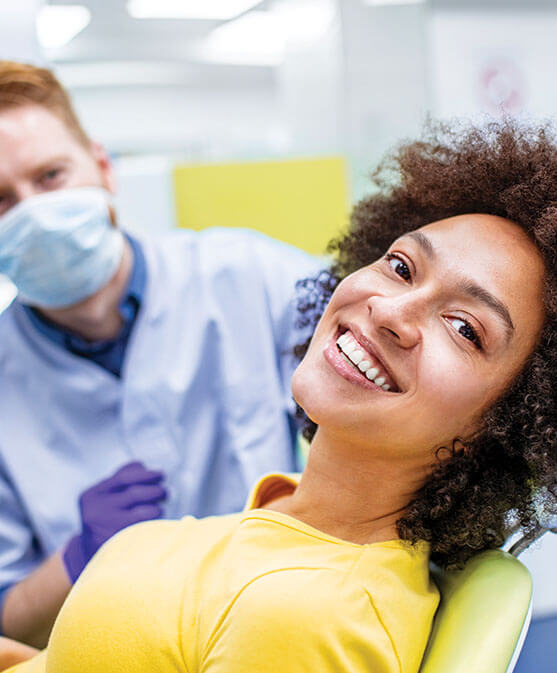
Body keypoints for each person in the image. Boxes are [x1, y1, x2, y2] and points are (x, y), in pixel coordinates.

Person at [2, 118, 556, 673]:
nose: (388, 311)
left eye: (464, 328)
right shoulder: (281, 523)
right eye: (400, 267)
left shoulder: (305, 615)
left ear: (512, 424)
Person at [0, 61, 321, 647]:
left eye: (49, 176)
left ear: (102, 168)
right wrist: (80, 555)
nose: (32, 213)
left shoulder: (251, 277)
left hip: (279, 634)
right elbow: (4, 622)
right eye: (1, 201)